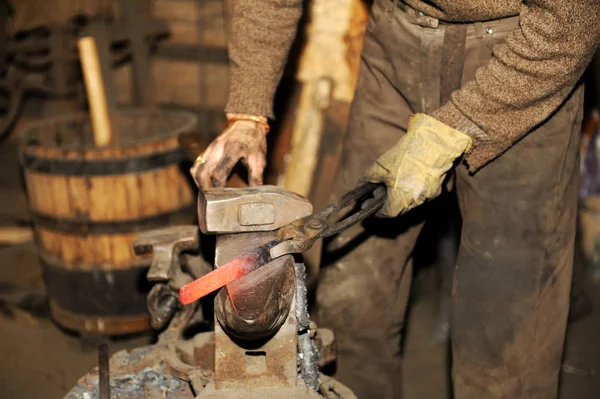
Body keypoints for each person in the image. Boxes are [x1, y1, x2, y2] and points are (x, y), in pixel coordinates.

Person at [192, 1, 600, 398]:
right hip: (395, 43)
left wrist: (458, 126)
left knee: (504, 327)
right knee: (352, 297)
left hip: (523, 58)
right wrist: (248, 113)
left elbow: (572, 18)